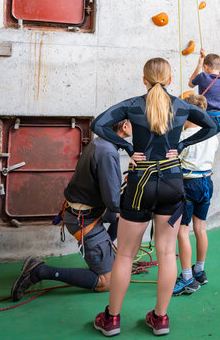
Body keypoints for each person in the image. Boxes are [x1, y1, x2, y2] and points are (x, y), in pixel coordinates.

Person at [90, 58, 218, 337]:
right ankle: (160, 319)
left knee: (124, 255)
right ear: (170, 80)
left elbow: (97, 124)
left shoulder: (133, 105)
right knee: (166, 255)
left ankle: (111, 320)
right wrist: (181, 144)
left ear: (144, 80)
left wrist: (126, 146)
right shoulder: (183, 106)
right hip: (172, 184)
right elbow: (212, 126)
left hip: (140, 184)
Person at [10, 119, 132, 301]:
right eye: (135, 123)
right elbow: (113, 203)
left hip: (81, 212)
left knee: (121, 220)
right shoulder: (108, 152)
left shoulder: (100, 142)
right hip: (85, 220)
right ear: (124, 126)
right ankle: (39, 271)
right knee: (109, 281)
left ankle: (102, 251)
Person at [173, 93, 219, 296]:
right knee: (200, 228)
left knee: (182, 231)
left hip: (187, 184)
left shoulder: (182, 137)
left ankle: (186, 278)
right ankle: (199, 271)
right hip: (206, 183)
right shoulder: (212, 136)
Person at [188, 49, 220, 131]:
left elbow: (190, 84)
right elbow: (215, 68)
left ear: (205, 66)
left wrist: (199, 64)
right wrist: (206, 57)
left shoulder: (202, 77)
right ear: (219, 66)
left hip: (205, 118)